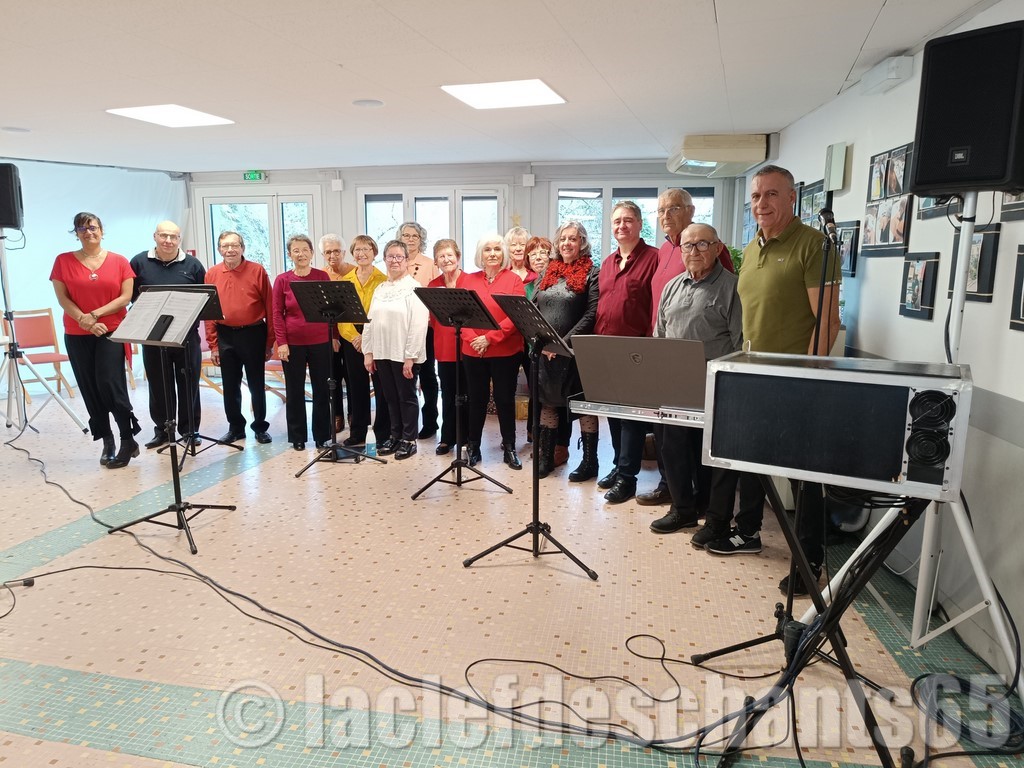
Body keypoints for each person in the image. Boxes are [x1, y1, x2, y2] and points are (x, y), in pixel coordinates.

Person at [701, 165, 841, 598]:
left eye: (771, 195)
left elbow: (829, 322)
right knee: (753, 462)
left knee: (804, 476)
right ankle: (750, 532)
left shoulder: (813, 245)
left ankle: (810, 561)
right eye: (756, 196)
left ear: (792, 198)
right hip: (752, 375)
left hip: (796, 380)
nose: (762, 204)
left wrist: (809, 379)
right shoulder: (751, 248)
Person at [636, 189, 735, 508]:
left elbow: (727, 315)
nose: (665, 215)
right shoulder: (666, 250)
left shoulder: (712, 251)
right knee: (668, 437)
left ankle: (700, 500)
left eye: (673, 208)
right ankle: (674, 491)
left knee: (696, 439)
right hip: (668, 358)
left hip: (705, 366)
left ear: (691, 211)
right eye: (661, 210)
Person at [650, 223, 742, 533]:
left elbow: (740, 343)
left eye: (703, 244)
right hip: (675, 383)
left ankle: (713, 513)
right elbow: (660, 333)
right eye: (688, 245)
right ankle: (682, 509)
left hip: (717, 386)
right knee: (672, 447)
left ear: (717, 248)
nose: (694, 251)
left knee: (710, 453)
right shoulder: (673, 286)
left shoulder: (732, 287)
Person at [49, 212, 140, 468]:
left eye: (92, 227)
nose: (88, 232)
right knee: (90, 387)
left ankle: (127, 437)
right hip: (78, 333)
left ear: (102, 230)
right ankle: (107, 440)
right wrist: (84, 320)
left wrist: (96, 315)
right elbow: (63, 298)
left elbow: (125, 297)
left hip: (112, 330)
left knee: (110, 384)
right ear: (76, 233)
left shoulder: (119, 261)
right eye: (82, 228)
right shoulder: (63, 261)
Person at [593, 201, 660, 503]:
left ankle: (628, 479)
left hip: (636, 353)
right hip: (607, 351)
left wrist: (647, 348)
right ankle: (618, 467)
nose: (622, 226)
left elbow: (655, 308)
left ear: (640, 224)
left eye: (629, 220)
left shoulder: (654, 259)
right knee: (613, 415)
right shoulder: (606, 263)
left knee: (632, 418)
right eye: (617, 221)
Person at [129, 220, 206, 450]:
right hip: (153, 336)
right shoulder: (139, 262)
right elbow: (132, 297)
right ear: (155, 236)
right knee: (158, 384)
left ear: (179, 239)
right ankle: (163, 431)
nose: (168, 241)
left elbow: (204, 298)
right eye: (164, 236)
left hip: (186, 337)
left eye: (173, 236)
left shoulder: (193, 265)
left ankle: (190, 431)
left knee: (189, 384)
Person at [532, 221, 599, 480]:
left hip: (575, 353)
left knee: (582, 406)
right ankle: (546, 458)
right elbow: (534, 306)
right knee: (548, 403)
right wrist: (545, 342)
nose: (567, 244)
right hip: (547, 352)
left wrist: (562, 344)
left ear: (582, 243)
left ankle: (589, 463)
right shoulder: (548, 271)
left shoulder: (592, 272)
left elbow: (591, 313)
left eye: (573, 239)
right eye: (563, 239)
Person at [462, 234, 526, 469]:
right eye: (487, 249)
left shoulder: (513, 280)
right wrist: (473, 339)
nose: (492, 253)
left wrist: (490, 338)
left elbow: (515, 316)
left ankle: (509, 447)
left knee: (504, 400)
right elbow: (461, 314)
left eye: (497, 249)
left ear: (503, 253)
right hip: (473, 351)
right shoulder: (468, 280)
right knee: (476, 400)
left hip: (504, 351)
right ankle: (473, 446)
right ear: (481, 254)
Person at [204, 231, 274, 445]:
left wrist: (270, 342)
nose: (230, 250)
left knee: (256, 383)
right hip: (225, 336)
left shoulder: (257, 271)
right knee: (230, 385)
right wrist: (213, 345)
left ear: (243, 248)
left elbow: (270, 307)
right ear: (219, 249)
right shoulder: (212, 273)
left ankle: (260, 427)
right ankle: (235, 428)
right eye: (225, 246)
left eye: (235, 245)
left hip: (253, 333)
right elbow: (208, 312)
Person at [362, 240, 429, 460]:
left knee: (406, 397)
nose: (394, 261)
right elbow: (369, 322)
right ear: (384, 259)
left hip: (404, 354)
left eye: (399, 257)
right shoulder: (381, 289)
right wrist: (368, 352)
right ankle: (395, 435)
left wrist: (410, 356)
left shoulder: (414, 288)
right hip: (382, 352)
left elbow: (418, 325)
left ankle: (409, 439)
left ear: (407, 261)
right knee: (389, 397)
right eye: (390, 256)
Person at [272, 235, 332, 451]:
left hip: (320, 341)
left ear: (312, 253)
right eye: (296, 250)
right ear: (290, 255)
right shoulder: (282, 280)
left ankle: (322, 436)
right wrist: (282, 343)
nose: (301, 254)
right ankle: (297, 436)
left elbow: (331, 309)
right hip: (293, 343)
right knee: (295, 390)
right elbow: (277, 314)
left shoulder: (322, 276)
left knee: (322, 390)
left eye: (305, 250)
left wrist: (332, 338)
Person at [337, 235, 389, 449]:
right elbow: (341, 316)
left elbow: (384, 314)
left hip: (376, 336)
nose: (362, 253)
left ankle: (383, 432)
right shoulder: (345, 281)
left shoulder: (383, 279)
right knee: (356, 386)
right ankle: (358, 431)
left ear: (374, 253)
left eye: (367, 249)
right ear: (352, 253)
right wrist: (355, 337)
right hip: (352, 338)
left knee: (381, 386)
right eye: (357, 249)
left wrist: (367, 337)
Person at [427, 239, 470, 456]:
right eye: (441, 256)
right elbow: (432, 320)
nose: (446, 259)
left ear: (458, 256)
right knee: (449, 394)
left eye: (450, 255)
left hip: (467, 345)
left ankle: (468, 438)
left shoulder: (470, 281)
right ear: (436, 261)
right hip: (444, 346)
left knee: (467, 394)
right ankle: (447, 437)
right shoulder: (433, 286)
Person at [397, 222, 440, 440]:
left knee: (428, 375)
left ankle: (430, 421)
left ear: (421, 239)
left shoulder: (430, 264)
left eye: (414, 235)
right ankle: (407, 423)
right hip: (401, 329)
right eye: (406, 235)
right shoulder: (397, 261)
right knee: (407, 376)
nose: (410, 239)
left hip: (425, 328)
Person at [321, 234, 353, 433]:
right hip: (330, 333)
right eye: (327, 252)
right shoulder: (322, 274)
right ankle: (337, 415)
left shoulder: (354, 271)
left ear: (343, 252)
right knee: (333, 376)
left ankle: (354, 414)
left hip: (351, 333)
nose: (332, 255)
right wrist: (333, 336)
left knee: (352, 376)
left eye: (336, 251)